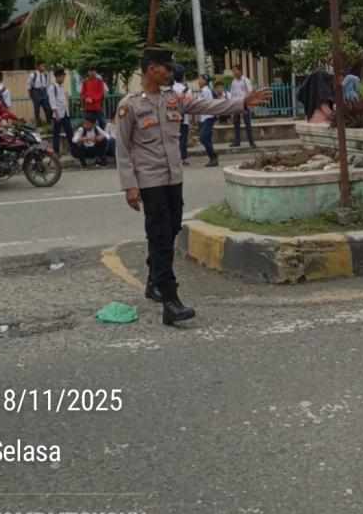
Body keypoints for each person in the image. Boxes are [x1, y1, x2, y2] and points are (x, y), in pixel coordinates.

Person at [115, 46, 272, 325]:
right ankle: (170, 301)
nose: (171, 73)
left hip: (174, 179)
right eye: (166, 68)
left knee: (172, 229)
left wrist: (243, 103)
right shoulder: (131, 105)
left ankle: (153, 279)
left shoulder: (173, 98)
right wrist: (130, 186)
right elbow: (123, 149)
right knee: (160, 237)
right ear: (152, 69)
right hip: (149, 182)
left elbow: (208, 106)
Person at [229, 65, 257, 148]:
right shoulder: (233, 82)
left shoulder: (245, 81)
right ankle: (237, 141)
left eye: (235, 70)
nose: (234, 73)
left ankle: (251, 142)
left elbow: (249, 93)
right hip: (236, 104)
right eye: (233, 71)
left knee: (247, 123)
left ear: (240, 71)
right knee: (236, 124)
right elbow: (232, 94)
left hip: (244, 104)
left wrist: (249, 104)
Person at [48, 68, 74, 157]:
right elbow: (52, 101)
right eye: (63, 77)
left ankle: (74, 150)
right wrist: (56, 114)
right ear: (58, 77)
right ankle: (56, 152)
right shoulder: (52, 87)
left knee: (69, 132)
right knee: (56, 133)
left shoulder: (61, 87)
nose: (63, 79)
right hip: (58, 114)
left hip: (65, 113)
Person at [197, 74, 220, 168]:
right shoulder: (203, 91)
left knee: (202, 137)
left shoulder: (206, 91)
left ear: (205, 81)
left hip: (208, 117)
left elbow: (201, 104)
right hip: (205, 117)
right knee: (207, 138)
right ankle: (213, 158)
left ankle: (213, 155)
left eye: (200, 79)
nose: (198, 81)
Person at [171, 65, 192, 166]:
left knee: (173, 138)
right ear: (183, 76)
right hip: (184, 118)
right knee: (183, 138)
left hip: (172, 117)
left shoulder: (171, 89)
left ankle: (174, 158)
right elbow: (189, 105)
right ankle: (183, 158)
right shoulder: (187, 90)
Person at [27, 61, 50, 125]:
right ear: (38, 67)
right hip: (36, 92)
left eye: (44, 66)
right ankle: (38, 122)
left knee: (46, 107)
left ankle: (49, 122)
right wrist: (30, 94)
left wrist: (47, 93)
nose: (44, 67)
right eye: (42, 66)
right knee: (37, 109)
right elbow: (28, 85)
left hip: (44, 92)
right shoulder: (33, 75)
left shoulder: (45, 75)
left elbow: (46, 85)